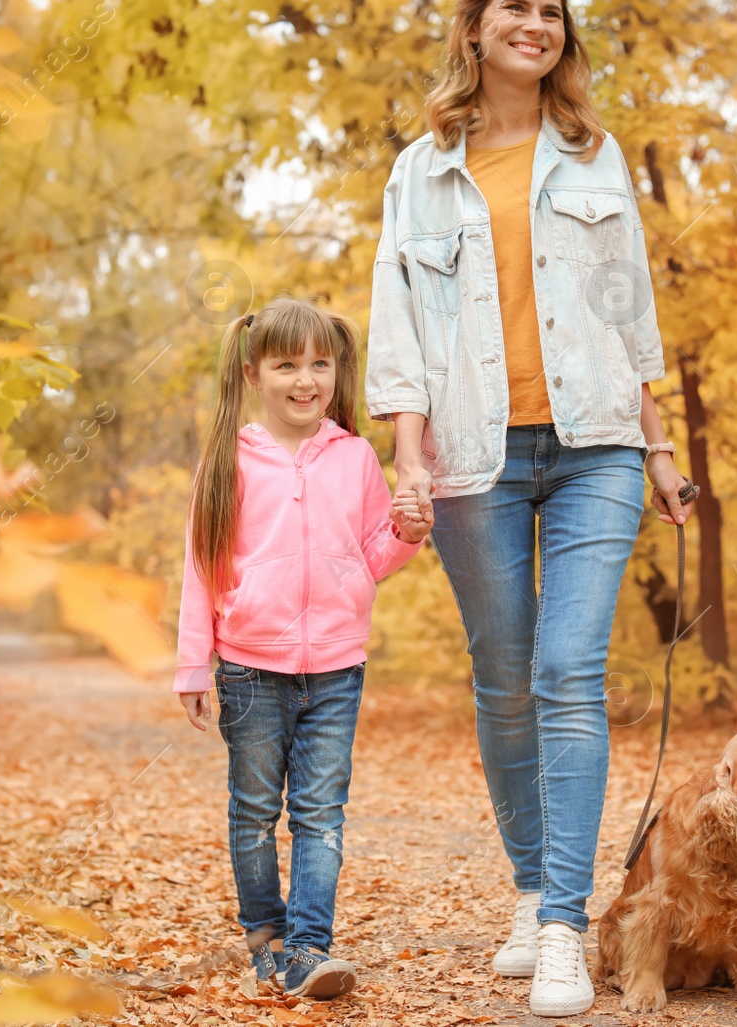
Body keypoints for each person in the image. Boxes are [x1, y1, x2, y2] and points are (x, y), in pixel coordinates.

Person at [365, 0, 694, 1017]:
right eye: (515, 6)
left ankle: (561, 923)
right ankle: (527, 887)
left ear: (565, 37)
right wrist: (408, 454)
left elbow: (628, 311)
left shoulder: (596, 160)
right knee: (503, 677)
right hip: (473, 455)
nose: (535, 25)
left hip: (596, 441)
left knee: (567, 670)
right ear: (475, 26)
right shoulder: (421, 171)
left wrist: (657, 445)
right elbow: (398, 327)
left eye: (552, 13)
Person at [175, 297, 432, 1000]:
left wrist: (408, 531)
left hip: (338, 668)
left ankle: (309, 948)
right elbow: (201, 567)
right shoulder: (228, 461)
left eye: (320, 362)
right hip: (250, 667)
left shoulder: (352, 458)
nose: (305, 379)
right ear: (255, 371)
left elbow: (372, 555)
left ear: (336, 369)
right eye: (287, 364)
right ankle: (266, 938)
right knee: (255, 809)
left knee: (321, 810)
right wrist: (193, 663)